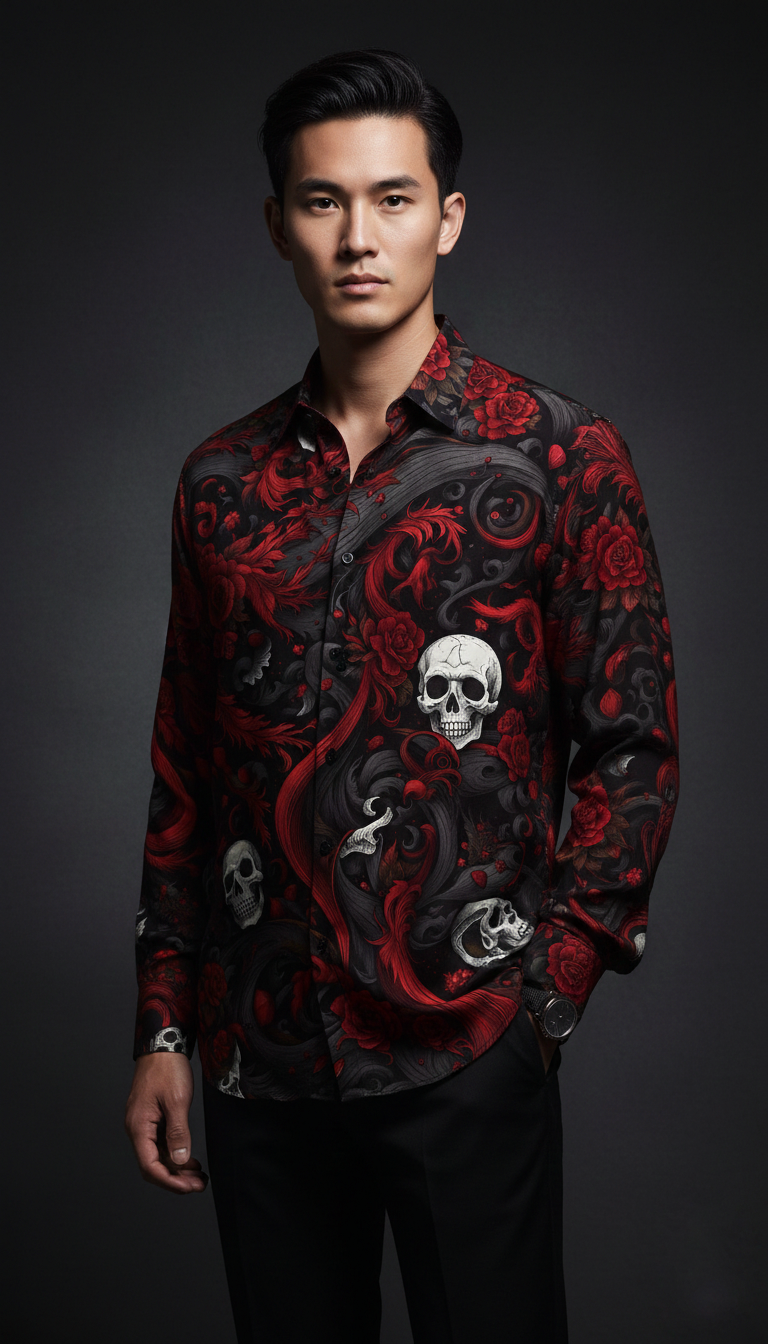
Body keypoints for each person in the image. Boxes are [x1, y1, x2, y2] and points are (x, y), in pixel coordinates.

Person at [125, 48, 679, 1344]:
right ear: (279, 225)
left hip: (468, 1045)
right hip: (261, 1057)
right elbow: (186, 768)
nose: (358, 236)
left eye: (392, 197)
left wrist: (546, 994)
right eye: (323, 201)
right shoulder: (219, 484)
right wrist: (163, 1026)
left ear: (449, 217)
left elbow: (633, 749)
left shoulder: (558, 454)